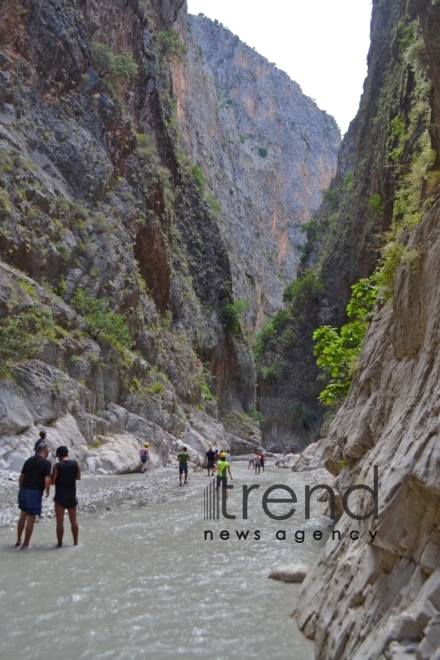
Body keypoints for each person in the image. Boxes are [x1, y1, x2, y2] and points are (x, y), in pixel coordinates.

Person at [16, 442, 51, 549]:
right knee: (31, 518)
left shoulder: (29, 460)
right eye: (48, 450)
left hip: (23, 490)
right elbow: (47, 479)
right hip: (35, 491)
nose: (49, 452)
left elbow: (21, 476)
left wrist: (21, 487)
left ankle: (18, 541)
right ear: (45, 450)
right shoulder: (47, 463)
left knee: (23, 515)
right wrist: (47, 490)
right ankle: (26, 544)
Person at [51, 446, 80, 547]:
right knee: (74, 520)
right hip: (72, 495)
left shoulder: (57, 466)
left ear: (59, 455)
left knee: (59, 522)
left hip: (60, 496)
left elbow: (53, 481)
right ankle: (75, 543)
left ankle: (59, 544)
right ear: (67, 454)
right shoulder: (75, 463)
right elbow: (78, 477)